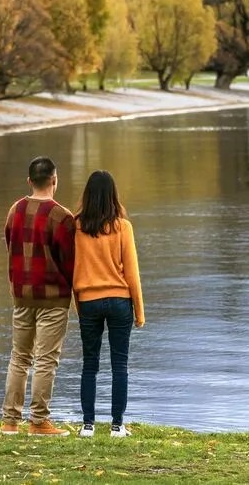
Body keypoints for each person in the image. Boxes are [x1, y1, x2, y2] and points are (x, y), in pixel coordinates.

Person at [1, 156, 77, 436]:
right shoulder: (62, 216)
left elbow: (10, 246)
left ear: (29, 181)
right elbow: (70, 262)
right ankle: (38, 421)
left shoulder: (15, 210)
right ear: (55, 180)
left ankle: (9, 422)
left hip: (21, 296)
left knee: (19, 357)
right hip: (53, 298)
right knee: (46, 359)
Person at [72, 170, 144, 439]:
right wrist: (139, 312)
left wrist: (77, 304)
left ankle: (88, 425)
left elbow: (73, 269)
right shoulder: (123, 227)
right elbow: (132, 274)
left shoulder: (76, 227)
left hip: (88, 301)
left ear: (87, 195)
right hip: (119, 301)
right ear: (113, 195)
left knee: (89, 364)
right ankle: (117, 426)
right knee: (120, 365)